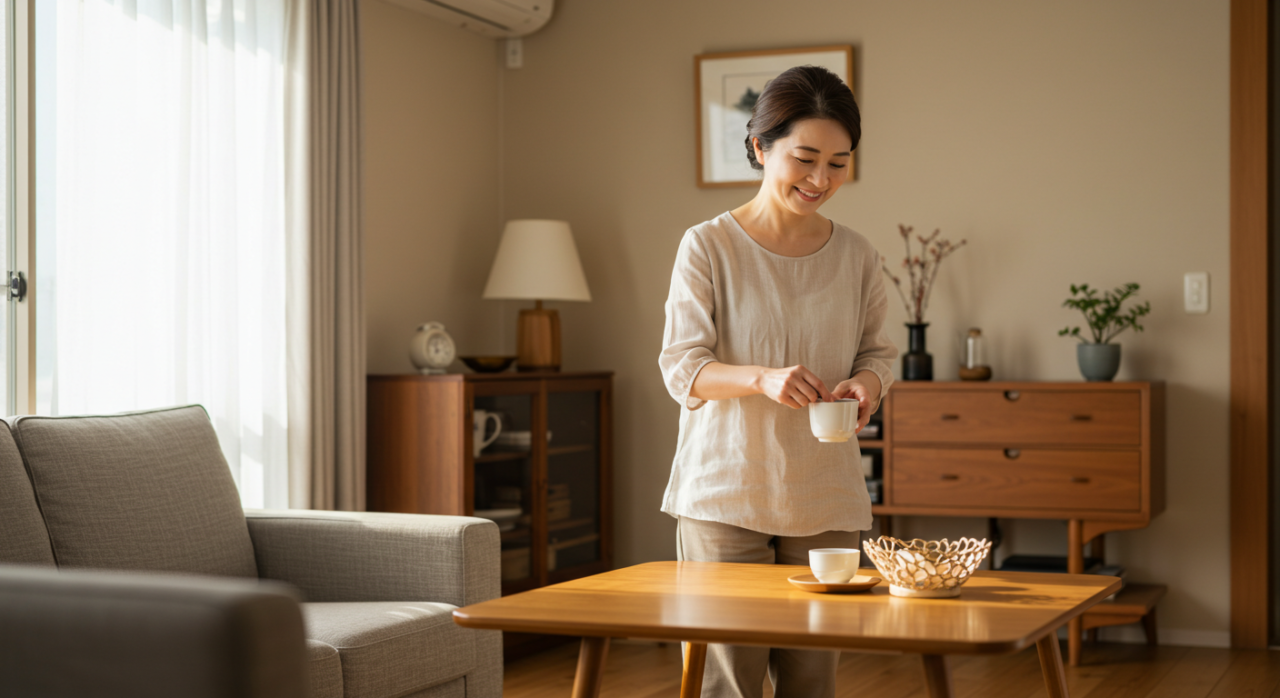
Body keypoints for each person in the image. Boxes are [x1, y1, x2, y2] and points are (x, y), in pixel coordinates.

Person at [658, 65, 898, 698]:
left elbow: (879, 353)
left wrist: (868, 385)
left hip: (824, 494)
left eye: (839, 164)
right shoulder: (708, 246)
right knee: (727, 683)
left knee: (812, 680)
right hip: (726, 489)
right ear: (762, 148)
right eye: (806, 158)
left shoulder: (858, 255)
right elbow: (682, 366)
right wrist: (762, 378)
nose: (821, 180)